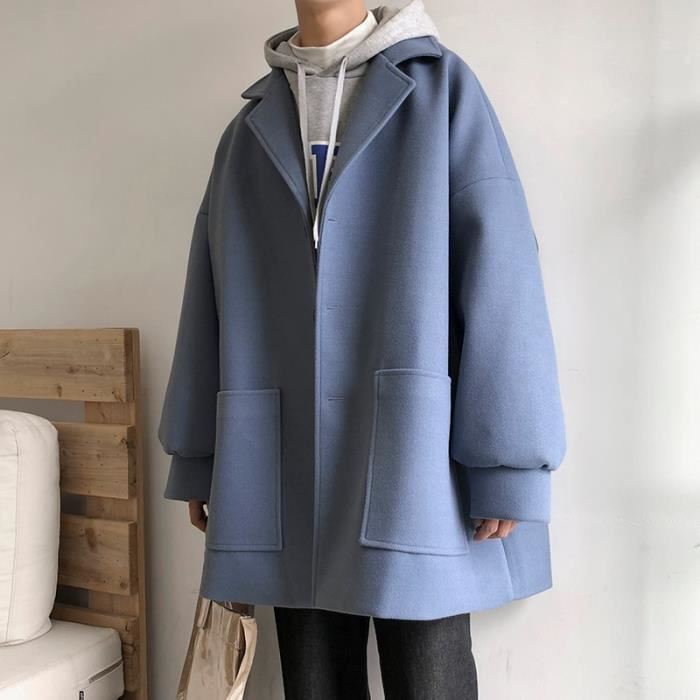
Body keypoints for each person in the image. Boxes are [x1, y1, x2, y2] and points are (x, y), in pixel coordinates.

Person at [158, 0, 567, 697]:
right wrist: (200, 455)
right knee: (313, 681)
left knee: (429, 678)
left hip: (417, 454)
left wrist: (509, 461)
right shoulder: (249, 129)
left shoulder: (442, 92)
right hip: (281, 459)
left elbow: (502, 276)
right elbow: (209, 292)